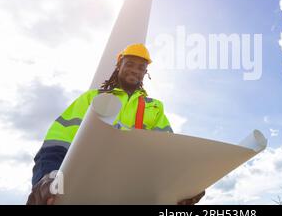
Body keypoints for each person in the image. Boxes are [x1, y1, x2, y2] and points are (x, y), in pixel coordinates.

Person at [27, 43, 205, 205]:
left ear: (145, 72)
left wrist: (185, 185)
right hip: (88, 187)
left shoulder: (155, 107)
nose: (135, 70)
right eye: (130, 64)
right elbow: (58, 141)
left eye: (141, 67)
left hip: (134, 192)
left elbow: (169, 152)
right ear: (119, 65)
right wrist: (47, 175)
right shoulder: (93, 98)